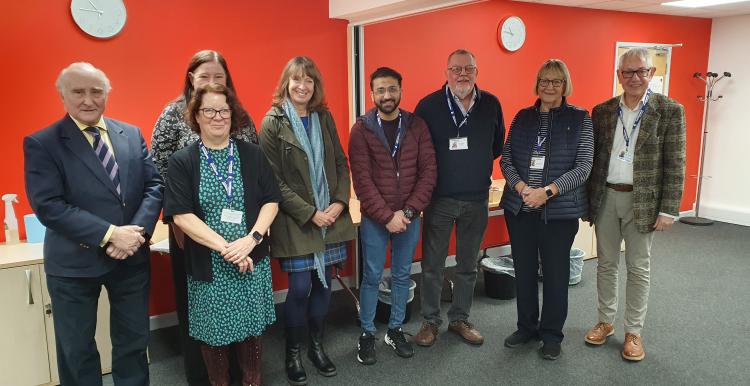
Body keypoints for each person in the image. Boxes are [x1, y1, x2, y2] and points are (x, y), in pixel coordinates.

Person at [23, 62, 163, 385]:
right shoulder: (43, 143)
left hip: (130, 259)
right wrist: (111, 234)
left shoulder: (131, 134)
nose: (88, 99)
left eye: (96, 91)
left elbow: (154, 186)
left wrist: (137, 233)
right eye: (78, 91)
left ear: (106, 94)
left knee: (133, 343)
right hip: (74, 264)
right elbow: (49, 206)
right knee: (77, 351)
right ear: (63, 95)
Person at [151, 49, 258, 385]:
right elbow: (157, 167)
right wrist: (177, 217)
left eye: (219, 77)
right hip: (192, 228)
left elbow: (254, 165)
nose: (211, 82)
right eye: (204, 76)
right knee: (200, 306)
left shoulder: (239, 114)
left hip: (241, 229)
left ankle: (244, 376)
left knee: (242, 301)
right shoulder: (173, 114)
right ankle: (203, 377)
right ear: (190, 79)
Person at [163, 83, 281, 385]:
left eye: (224, 110)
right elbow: (181, 216)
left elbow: (271, 200)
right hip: (210, 265)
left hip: (251, 259)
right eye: (209, 111)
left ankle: (252, 381)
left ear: (232, 115)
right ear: (196, 117)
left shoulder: (252, 155)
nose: (218, 117)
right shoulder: (182, 162)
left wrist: (251, 239)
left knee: (251, 332)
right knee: (214, 335)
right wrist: (227, 248)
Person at [259, 56, 356, 386]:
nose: (303, 86)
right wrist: (310, 212)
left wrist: (340, 202)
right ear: (286, 82)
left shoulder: (323, 116)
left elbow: (341, 163)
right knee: (300, 287)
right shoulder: (272, 122)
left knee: (325, 285)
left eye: (309, 80)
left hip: (331, 218)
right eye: (296, 79)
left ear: (315, 86)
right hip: (296, 221)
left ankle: (317, 346)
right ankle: (294, 352)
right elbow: (272, 180)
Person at [585, 48, 686, 361]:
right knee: (605, 263)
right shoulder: (602, 111)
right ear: (619, 76)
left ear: (651, 73)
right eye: (627, 72)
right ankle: (605, 321)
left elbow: (675, 162)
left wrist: (669, 209)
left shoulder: (669, 110)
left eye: (641, 71)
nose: (634, 78)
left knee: (638, 267)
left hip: (644, 201)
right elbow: (593, 157)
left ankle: (634, 332)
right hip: (606, 196)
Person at [500, 59, 594, 360]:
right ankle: (527, 327)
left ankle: (552, 334)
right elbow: (506, 159)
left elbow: (584, 166)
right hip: (520, 207)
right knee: (524, 270)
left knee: (555, 274)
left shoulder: (580, 118)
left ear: (565, 85)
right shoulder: (522, 117)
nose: (549, 86)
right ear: (537, 83)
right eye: (544, 80)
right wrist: (522, 189)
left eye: (556, 81)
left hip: (558, 212)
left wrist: (547, 192)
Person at [413, 49, 505, 347]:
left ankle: (460, 318)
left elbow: (496, 145)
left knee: (468, 264)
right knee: (432, 266)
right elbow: (418, 151)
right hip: (439, 199)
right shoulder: (428, 106)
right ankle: (430, 322)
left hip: (476, 199)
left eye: (468, 68)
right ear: (446, 72)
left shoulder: (491, 103)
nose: (462, 74)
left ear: (477, 71)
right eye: (456, 69)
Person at [349, 67, 437, 364]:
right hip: (376, 219)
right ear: (372, 94)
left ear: (401, 90)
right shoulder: (361, 129)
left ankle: (395, 328)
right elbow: (362, 181)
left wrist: (409, 211)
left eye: (392, 89)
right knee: (372, 276)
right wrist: (387, 216)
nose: (387, 95)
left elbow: (428, 172)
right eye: (381, 90)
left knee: (401, 275)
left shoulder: (417, 126)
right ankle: (367, 333)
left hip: (409, 217)